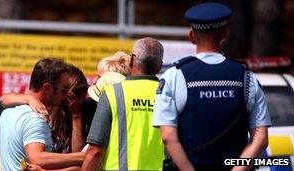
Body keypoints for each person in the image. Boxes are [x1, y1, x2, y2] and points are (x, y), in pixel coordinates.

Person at [153, 2, 271, 171]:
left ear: (192, 37)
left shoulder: (174, 76)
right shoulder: (246, 77)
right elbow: (260, 138)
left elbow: (168, 137)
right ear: (225, 34)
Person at [82, 37, 164, 171]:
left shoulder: (112, 93)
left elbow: (95, 151)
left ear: (131, 60)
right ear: (160, 66)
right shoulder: (169, 95)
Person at [0, 58, 84, 171]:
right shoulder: (35, 118)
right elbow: (36, 158)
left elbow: (4, 99)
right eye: (63, 90)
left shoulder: (9, 111)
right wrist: (83, 157)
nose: (64, 96)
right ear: (48, 88)